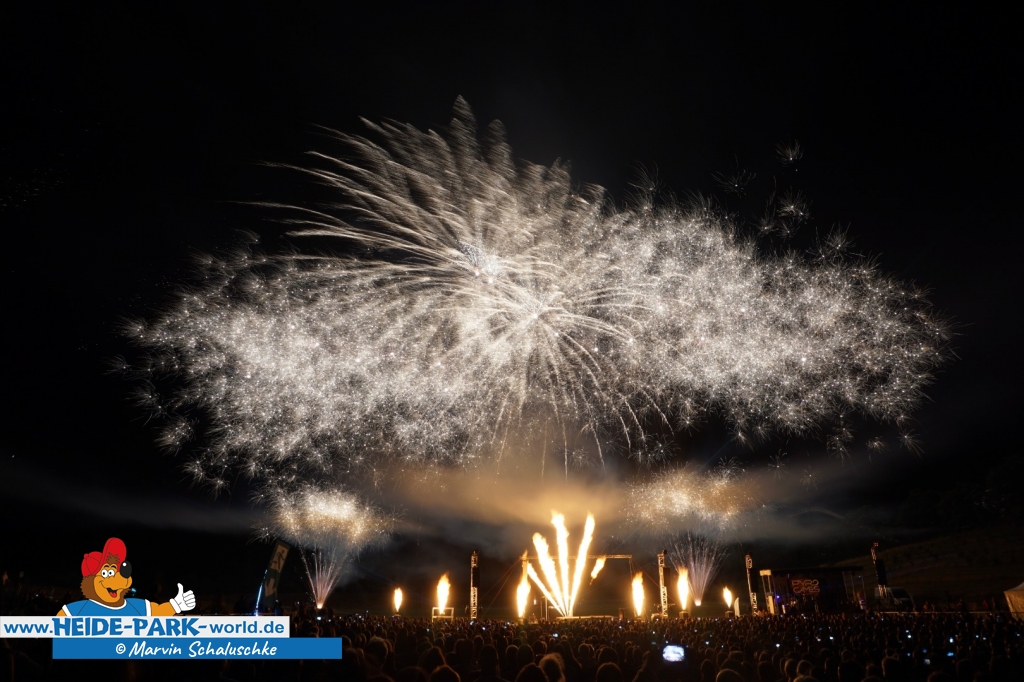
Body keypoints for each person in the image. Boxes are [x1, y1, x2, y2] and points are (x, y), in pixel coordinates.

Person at [56, 537, 195, 616]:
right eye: (106, 573)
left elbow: (157, 612)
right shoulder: (78, 610)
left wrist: (177, 605)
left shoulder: (134, 606)